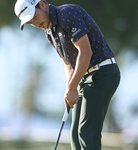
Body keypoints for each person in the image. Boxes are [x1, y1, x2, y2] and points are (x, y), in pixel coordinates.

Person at [14, 0, 120, 149]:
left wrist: (72, 87)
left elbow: (85, 52)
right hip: (85, 78)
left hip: (103, 73)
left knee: (86, 132)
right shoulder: (49, 32)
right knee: (75, 135)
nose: (36, 24)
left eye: (35, 17)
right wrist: (68, 88)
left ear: (43, 4)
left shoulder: (67, 13)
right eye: (31, 23)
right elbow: (68, 64)